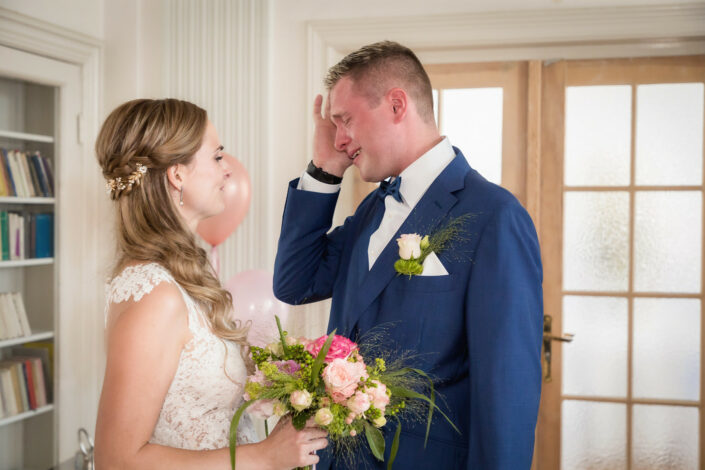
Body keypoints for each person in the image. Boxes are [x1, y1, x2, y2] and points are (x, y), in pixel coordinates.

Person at [273, 41, 543, 469]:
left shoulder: (494, 215)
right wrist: (323, 170)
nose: (340, 139)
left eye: (345, 120)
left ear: (397, 104)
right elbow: (295, 282)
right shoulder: (371, 209)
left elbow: (507, 395)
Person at [94, 99, 327, 469]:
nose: (228, 172)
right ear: (177, 175)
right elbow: (116, 460)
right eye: (218, 157)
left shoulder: (181, 274)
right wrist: (265, 456)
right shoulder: (156, 294)